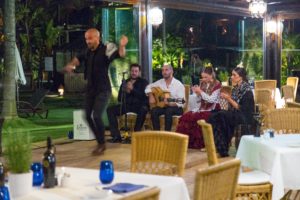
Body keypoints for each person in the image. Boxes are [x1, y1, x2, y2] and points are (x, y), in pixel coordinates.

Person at [64, 28, 128, 155]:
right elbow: (78, 58)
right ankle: (100, 142)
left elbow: (120, 55)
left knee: (97, 115)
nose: (88, 41)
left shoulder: (105, 50)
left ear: (97, 38)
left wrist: (122, 45)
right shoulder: (87, 51)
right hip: (90, 89)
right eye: (86, 39)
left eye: (90, 38)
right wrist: (71, 65)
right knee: (87, 116)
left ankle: (101, 143)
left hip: (103, 90)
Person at [208, 67, 254, 157]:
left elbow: (241, 108)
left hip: (244, 116)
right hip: (236, 113)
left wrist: (228, 98)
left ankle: (222, 147)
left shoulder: (247, 90)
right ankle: (219, 145)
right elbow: (232, 107)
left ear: (240, 77)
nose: (231, 77)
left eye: (234, 75)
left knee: (221, 115)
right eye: (232, 75)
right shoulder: (236, 88)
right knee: (213, 114)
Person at [176, 67, 221, 149]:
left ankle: (202, 144)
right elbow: (199, 100)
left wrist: (201, 92)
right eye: (202, 77)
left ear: (211, 75)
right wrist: (196, 93)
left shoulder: (217, 84)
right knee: (186, 116)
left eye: (205, 77)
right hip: (202, 108)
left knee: (198, 117)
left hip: (213, 109)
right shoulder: (203, 83)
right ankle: (185, 142)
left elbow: (211, 100)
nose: (203, 79)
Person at [106, 63, 149, 143]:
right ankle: (116, 136)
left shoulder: (144, 82)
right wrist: (126, 91)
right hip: (127, 105)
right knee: (110, 110)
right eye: (132, 71)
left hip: (139, 106)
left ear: (139, 72)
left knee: (143, 110)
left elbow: (144, 97)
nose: (134, 73)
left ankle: (135, 136)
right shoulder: (125, 82)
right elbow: (119, 98)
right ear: (130, 72)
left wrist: (132, 90)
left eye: (136, 71)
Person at [145, 64, 185, 131]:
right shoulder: (159, 82)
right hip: (164, 106)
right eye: (163, 70)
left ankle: (167, 134)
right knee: (154, 110)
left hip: (176, 108)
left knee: (168, 110)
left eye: (166, 70)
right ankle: (157, 134)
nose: (164, 72)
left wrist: (170, 103)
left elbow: (182, 101)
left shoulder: (178, 84)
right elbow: (148, 87)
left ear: (171, 71)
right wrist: (150, 94)